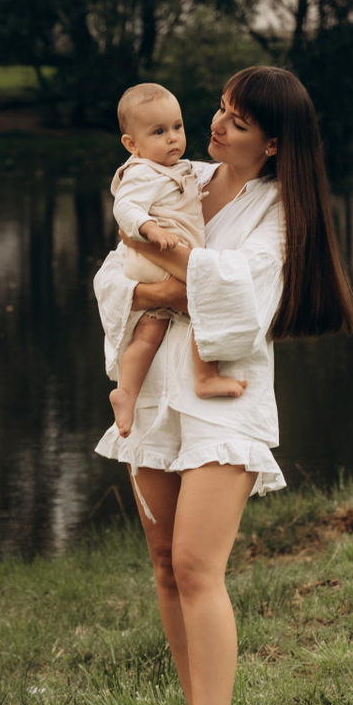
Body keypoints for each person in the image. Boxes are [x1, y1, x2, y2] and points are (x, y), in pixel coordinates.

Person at [93, 65, 353, 705]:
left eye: (237, 122)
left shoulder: (278, 215)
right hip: (157, 392)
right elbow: (115, 270)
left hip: (225, 398)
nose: (214, 125)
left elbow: (241, 296)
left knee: (196, 563)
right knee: (164, 566)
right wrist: (172, 281)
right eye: (219, 109)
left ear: (272, 145)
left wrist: (166, 273)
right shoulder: (181, 176)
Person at [107, 83, 248, 439]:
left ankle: (126, 392)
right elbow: (125, 207)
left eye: (177, 126)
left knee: (148, 333)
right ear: (131, 145)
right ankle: (206, 376)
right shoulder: (142, 171)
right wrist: (149, 229)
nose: (172, 137)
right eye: (158, 132)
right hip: (159, 255)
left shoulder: (178, 168)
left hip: (158, 261)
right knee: (207, 296)